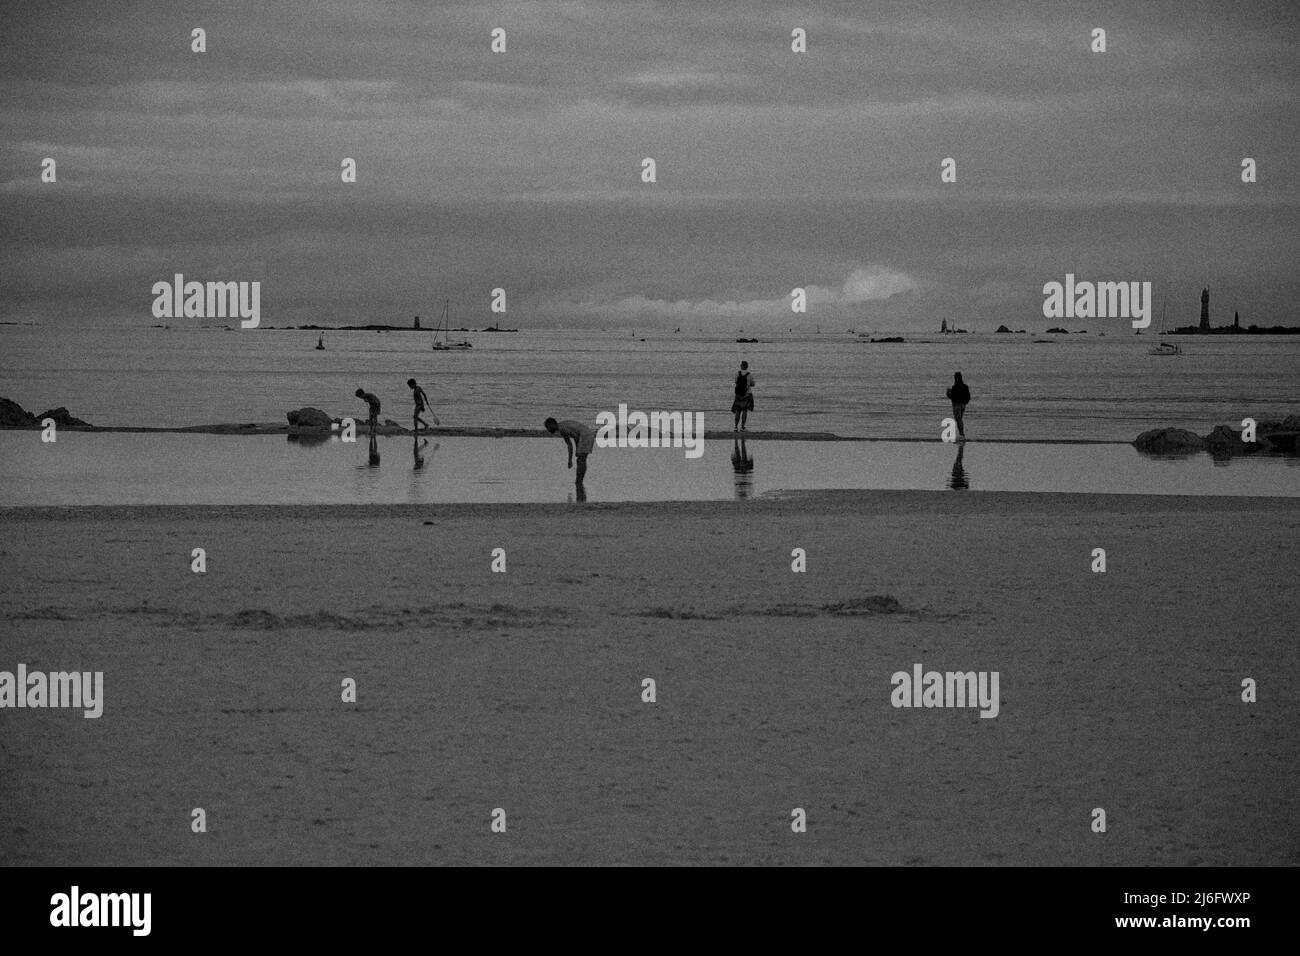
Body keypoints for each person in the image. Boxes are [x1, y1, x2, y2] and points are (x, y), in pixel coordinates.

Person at [544, 417, 595, 486]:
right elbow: (569, 445)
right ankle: (579, 481)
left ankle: (579, 481)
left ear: (552, 424)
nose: (548, 430)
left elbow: (576, 436)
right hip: (587, 434)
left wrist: (577, 450)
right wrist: (570, 460)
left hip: (585, 435)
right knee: (581, 459)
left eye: (548, 427)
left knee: (581, 459)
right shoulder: (561, 429)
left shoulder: (562, 428)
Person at [946, 372, 970, 441]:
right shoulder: (965, 386)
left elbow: (952, 397)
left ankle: (962, 435)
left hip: (956, 405)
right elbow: (968, 397)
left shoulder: (955, 387)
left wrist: (948, 393)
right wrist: (965, 403)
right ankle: (961, 435)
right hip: (963, 405)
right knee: (960, 420)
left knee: (959, 421)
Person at [732, 360, 755, 431]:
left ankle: (735, 427)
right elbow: (753, 384)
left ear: (741, 366)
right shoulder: (749, 375)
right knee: (745, 411)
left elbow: (736, 382)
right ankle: (742, 427)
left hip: (738, 395)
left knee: (738, 411)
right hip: (747, 394)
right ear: (747, 366)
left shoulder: (737, 373)